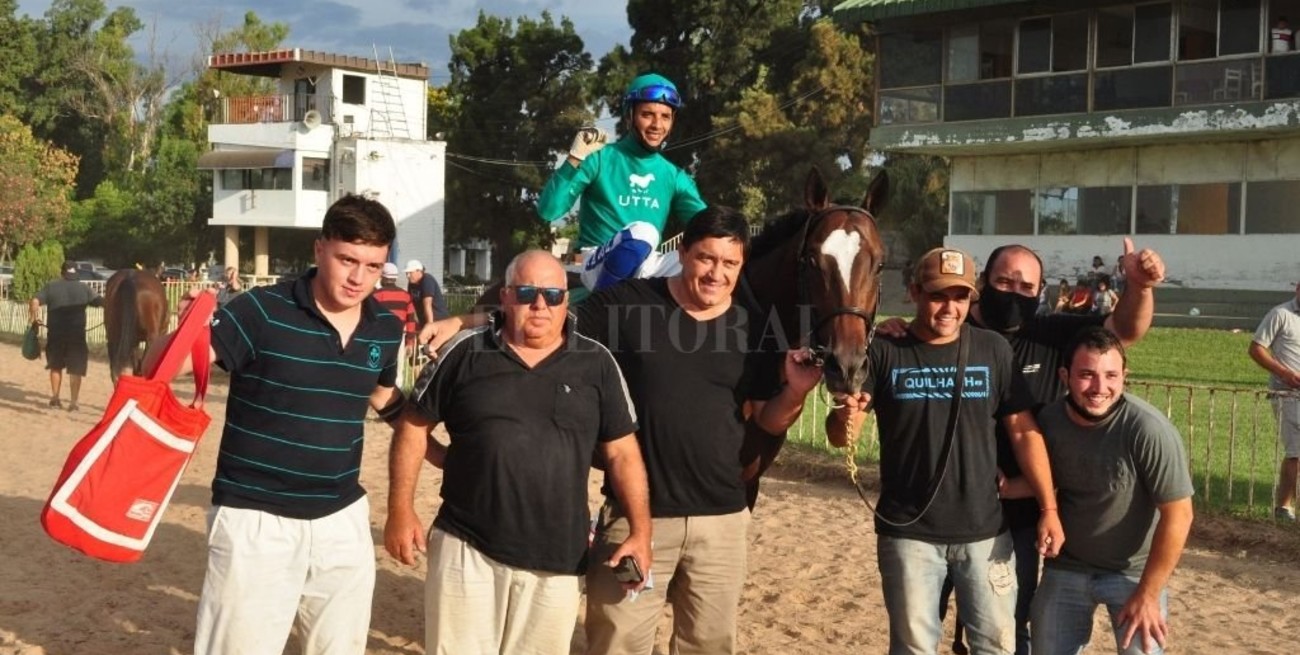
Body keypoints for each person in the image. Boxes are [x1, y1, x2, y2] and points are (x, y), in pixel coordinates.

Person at [422, 206, 824, 655]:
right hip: (637, 519)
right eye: (706, 258)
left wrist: (795, 392)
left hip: (722, 523)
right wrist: (460, 321)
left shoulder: (753, 326)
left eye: (730, 263)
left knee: (710, 645)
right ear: (685, 253)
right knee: (617, 643)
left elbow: (767, 419)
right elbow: (544, 316)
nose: (716, 273)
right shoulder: (629, 304)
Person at [872, 238, 1166, 654]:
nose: (1015, 292)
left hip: (1014, 519)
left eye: (1027, 287)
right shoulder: (947, 328)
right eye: (1004, 282)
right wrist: (891, 330)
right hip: (928, 511)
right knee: (920, 632)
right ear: (984, 284)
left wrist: (1140, 287)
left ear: (1041, 291)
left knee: (1009, 628)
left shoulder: (1052, 333)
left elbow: (1124, 332)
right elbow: (914, 337)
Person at [165, 194, 407, 654]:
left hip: (342, 519)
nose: (359, 278)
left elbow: (381, 394)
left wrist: (437, 448)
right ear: (320, 250)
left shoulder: (384, 328)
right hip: (255, 516)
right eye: (348, 260)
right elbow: (167, 365)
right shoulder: (262, 309)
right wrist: (184, 330)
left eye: (373, 266)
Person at [384, 250, 652, 654]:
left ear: (566, 299)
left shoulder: (596, 363)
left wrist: (641, 532)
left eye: (552, 294)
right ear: (506, 297)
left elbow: (623, 454)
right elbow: (412, 427)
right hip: (467, 546)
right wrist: (400, 510)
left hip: (558, 556)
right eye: (527, 292)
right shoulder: (465, 353)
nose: (540, 304)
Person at [828, 246, 1063, 655]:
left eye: (959, 297)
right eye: (938, 295)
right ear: (915, 292)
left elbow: (1023, 432)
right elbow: (841, 434)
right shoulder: (885, 349)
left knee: (997, 645)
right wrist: (847, 412)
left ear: (971, 298)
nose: (948, 307)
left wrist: (1048, 509)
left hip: (985, 533)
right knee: (914, 646)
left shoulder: (993, 350)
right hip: (909, 533)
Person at [1032, 326, 1194, 655]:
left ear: (1124, 376)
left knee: (1143, 650)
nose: (1099, 387)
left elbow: (1179, 513)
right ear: (1065, 376)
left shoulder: (1148, 429)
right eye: (1087, 375)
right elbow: (1047, 479)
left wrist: (1149, 594)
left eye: (1111, 376)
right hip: (1067, 566)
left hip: (1133, 571)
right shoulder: (1048, 421)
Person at [536, 72, 707, 291]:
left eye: (665, 116)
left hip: (647, 263)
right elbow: (548, 211)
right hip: (595, 262)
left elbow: (709, 225)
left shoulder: (673, 175)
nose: (657, 125)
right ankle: (604, 302)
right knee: (644, 232)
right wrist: (574, 158)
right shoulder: (598, 157)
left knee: (700, 260)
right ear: (629, 116)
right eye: (647, 114)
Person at [1248, 280, 1300, 522]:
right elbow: (1256, 349)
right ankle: (1283, 507)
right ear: (1298, 289)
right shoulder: (1281, 314)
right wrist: (1285, 374)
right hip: (1287, 394)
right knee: (1296, 452)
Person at [28, 260, 103, 411]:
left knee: (55, 366)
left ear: (62, 272)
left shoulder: (52, 287)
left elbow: (35, 300)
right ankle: (74, 403)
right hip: (77, 336)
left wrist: (34, 313)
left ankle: (55, 398)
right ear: (77, 273)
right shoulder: (84, 288)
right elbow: (101, 301)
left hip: (56, 334)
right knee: (76, 369)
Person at [373, 262, 417, 380]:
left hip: (379, 338)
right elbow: (411, 321)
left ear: (383, 277)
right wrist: (410, 342)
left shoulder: (376, 295)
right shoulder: (406, 296)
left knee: (377, 368)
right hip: (398, 337)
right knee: (397, 371)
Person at [404, 259, 449, 327]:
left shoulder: (427, 280)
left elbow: (427, 304)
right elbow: (410, 304)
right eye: (406, 273)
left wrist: (429, 326)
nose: (408, 276)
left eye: (410, 273)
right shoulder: (411, 284)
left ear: (418, 271)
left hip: (438, 321)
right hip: (424, 321)